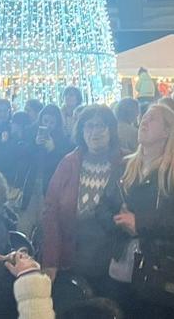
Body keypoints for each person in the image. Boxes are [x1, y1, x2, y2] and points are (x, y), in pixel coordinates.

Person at [105, 103, 174, 319]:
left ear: (168, 131)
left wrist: (140, 222)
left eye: (152, 119)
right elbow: (104, 208)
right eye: (144, 117)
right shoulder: (125, 167)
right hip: (124, 269)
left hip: (163, 274)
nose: (144, 122)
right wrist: (118, 220)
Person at [41, 104, 122, 287]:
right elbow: (50, 211)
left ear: (111, 130)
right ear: (81, 131)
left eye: (101, 125)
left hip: (113, 259)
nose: (95, 132)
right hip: (73, 255)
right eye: (89, 126)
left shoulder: (125, 163)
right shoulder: (69, 163)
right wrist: (51, 261)